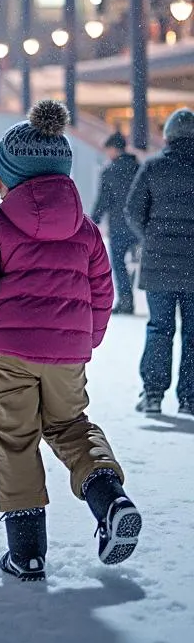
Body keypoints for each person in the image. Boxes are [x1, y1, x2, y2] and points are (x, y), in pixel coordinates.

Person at [0, 100, 140, 582]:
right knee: (71, 425)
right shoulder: (86, 230)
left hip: (9, 353)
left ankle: (27, 553)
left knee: (15, 439)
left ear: (10, 178)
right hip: (67, 354)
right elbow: (103, 289)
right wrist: (85, 341)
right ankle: (109, 498)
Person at [125, 108, 194, 416]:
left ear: (167, 136)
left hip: (160, 267)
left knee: (159, 329)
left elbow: (133, 210)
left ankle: (153, 393)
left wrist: (150, 238)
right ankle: (190, 397)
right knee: (192, 334)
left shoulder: (153, 167)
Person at [90, 131, 140, 316]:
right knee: (145, 263)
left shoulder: (109, 172)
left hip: (119, 226)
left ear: (112, 149)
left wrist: (92, 222)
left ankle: (126, 301)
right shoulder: (139, 168)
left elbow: (103, 201)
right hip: (138, 226)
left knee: (119, 264)